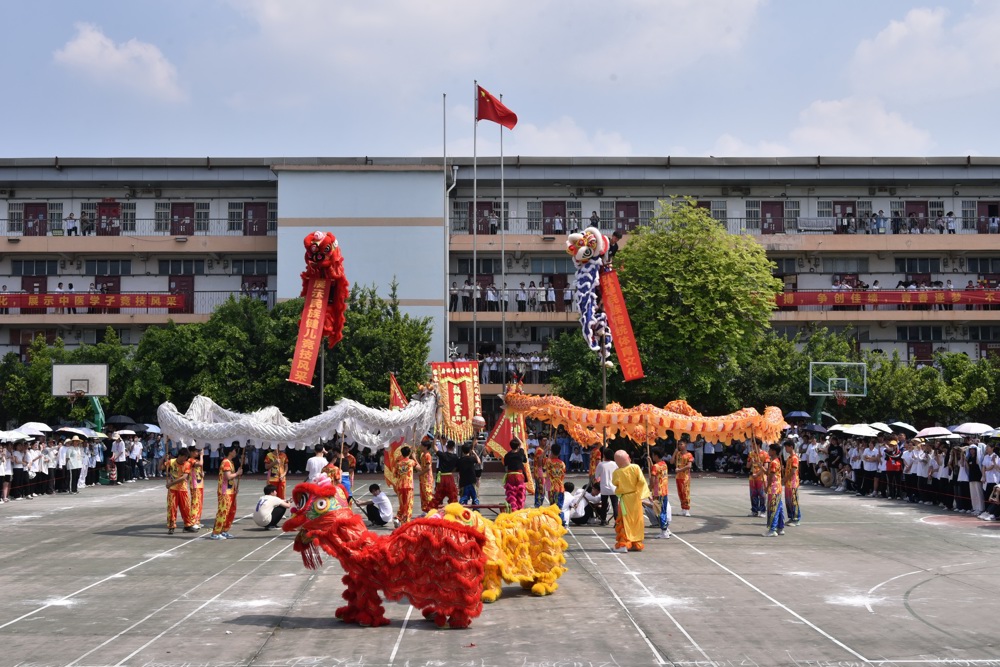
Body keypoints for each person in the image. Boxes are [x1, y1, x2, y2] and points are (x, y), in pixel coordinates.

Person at [611, 450, 651, 553]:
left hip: (625, 499)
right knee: (636, 521)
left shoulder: (617, 472)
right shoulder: (636, 467)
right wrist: (645, 495)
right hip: (636, 497)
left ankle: (623, 544)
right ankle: (636, 543)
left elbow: (615, 483)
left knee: (624, 521)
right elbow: (642, 481)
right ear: (628, 457)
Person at [209, 445, 243, 540]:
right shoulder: (226, 462)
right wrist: (237, 473)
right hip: (225, 491)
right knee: (223, 511)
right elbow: (228, 476)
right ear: (230, 452)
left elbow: (232, 478)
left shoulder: (230, 462)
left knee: (231, 511)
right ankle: (216, 532)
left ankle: (224, 530)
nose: (235, 452)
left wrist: (235, 488)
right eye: (234, 450)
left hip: (231, 491)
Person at [165, 448, 195, 535]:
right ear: (180, 456)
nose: (185, 459)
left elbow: (183, 478)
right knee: (172, 508)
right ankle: (171, 526)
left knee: (186, 508)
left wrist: (170, 484)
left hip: (183, 489)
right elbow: (160, 467)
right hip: (173, 490)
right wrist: (164, 458)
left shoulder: (187, 464)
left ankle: (187, 525)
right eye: (185, 457)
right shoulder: (171, 462)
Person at [393, 446, 419, 527]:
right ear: (409, 453)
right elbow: (420, 468)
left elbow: (395, 475)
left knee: (402, 504)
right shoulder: (411, 462)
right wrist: (415, 458)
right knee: (408, 505)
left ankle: (398, 517)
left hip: (400, 486)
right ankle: (405, 523)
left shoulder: (398, 464)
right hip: (409, 486)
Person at [649, 448, 672, 539]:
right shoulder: (664, 464)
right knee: (663, 510)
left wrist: (649, 487)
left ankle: (664, 531)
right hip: (664, 491)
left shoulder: (656, 466)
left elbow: (653, 479)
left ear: (656, 455)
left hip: (658, 492)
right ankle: (665, 529)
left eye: (653, 455)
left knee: (659, 512)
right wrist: (650, 462)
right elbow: (654, 469)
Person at [764, 444, 785, 537]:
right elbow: (769, 473)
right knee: (779, 508)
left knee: (773, 509)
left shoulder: (773, 462)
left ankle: (772, 529)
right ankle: (780, 527)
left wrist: (767, 486)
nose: (768, 451)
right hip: (778, 488)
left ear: (774, 451)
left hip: (773, 489)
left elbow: (771, 477)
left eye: (770, 450)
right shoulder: (777, 461)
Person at [503, 437, 528, 511]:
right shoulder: (520, 453)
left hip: (510, 475)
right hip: (519, 475)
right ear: (518, 446)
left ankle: (513, 509)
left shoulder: (507, 455)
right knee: (520, 493)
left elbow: (505, 464)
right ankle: (520, 509)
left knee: (511, 493)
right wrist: (517, 437)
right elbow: (522, 446)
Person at [595, 447, 618, 525]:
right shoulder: (615, 464)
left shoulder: (601, 464)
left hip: (604, 487)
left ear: (604, 455)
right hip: (614, 487)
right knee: (615, 505)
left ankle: (603, 520)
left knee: (604, 505)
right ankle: (617, 521)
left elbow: (596, 476)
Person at [433, 440, 460, 507]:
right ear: (453, 447)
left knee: (438, 494)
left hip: (440, 475)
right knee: (452, 496)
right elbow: (456, 468)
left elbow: (434, 446)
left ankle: (435, 510)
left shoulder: (442, 455)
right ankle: (453, 510)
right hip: (449, 476)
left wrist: (436, 436)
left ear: (447, 446)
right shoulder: (455, 457)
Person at [746, 439, 769, 517]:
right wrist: (751, 462)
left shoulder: (765, 454)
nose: (751, 446)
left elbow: (766, 467)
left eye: (753, 444)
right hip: (752, 477)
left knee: (762, 494)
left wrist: (758, 474)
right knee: (753, 494)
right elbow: (747, 466)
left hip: (761, 477)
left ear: (758, 445)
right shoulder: (751, 454)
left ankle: (762, 511)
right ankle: (754, 510)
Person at [783, 440, 801, 526]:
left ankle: (796, 518)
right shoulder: (789, 458)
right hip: (788, 482)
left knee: (794, 500)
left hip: (793, 482)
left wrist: (786, 478)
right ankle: (791, 517)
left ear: (791, 447)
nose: (785, 448)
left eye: (786, 446)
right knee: (788, 501)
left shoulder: (794, 458)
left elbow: (793, 471)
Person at [545, 443, 567, 516]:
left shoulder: (548, 462)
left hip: (552, 488)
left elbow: (546, 473)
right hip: (560, 487)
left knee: (552, 507)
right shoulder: (562, 463)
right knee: (559, 507)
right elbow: (563, 475)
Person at [673, 440, 693, 516]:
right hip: (678, 477)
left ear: (685, 445)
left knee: (685, 492)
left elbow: (689, 466)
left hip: (685, 477)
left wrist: (680, 470)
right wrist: (674, 453)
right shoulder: (678, 454)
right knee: (680, 493)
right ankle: (683, 508)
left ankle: (687, 509)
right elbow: (671, 461)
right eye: (679, 444)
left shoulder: (689, 455)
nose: (679, 446)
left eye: (681, 444)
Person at [187, 448, 206, 529]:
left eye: (198, 452)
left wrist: (202, 473)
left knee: (199, 503)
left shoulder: (196, 460)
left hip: (200, 484)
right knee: (195, 503)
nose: (197, 453)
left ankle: (197, 521)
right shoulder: (190, 460)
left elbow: (201, 468)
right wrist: (202, 456)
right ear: (191, 452)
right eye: (196, 451)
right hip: (194, 484)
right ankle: (193, 521)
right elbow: (200, 464)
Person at [418, 436, 436, 513]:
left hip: (427, 478)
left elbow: (428, 468)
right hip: (422, 478)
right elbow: (421, 466)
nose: (421, 447)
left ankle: (432, 509)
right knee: (423, 495)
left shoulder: (427, 455)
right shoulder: (422, 455)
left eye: (422, 446)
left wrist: (421, 473)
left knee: (428, 494)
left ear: (425, 447)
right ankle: (425, 510)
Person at [533, 436, 549, 507]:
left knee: (541, 489)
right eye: (543, 441)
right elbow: (540, 460)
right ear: (539, 441)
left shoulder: (542, 450)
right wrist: (546, 450)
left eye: (546, 441)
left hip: (543, 471)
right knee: (540, 489)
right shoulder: (539, 450)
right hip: (539, 471)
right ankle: (538, 504)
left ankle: (539, 504)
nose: (545, 442)